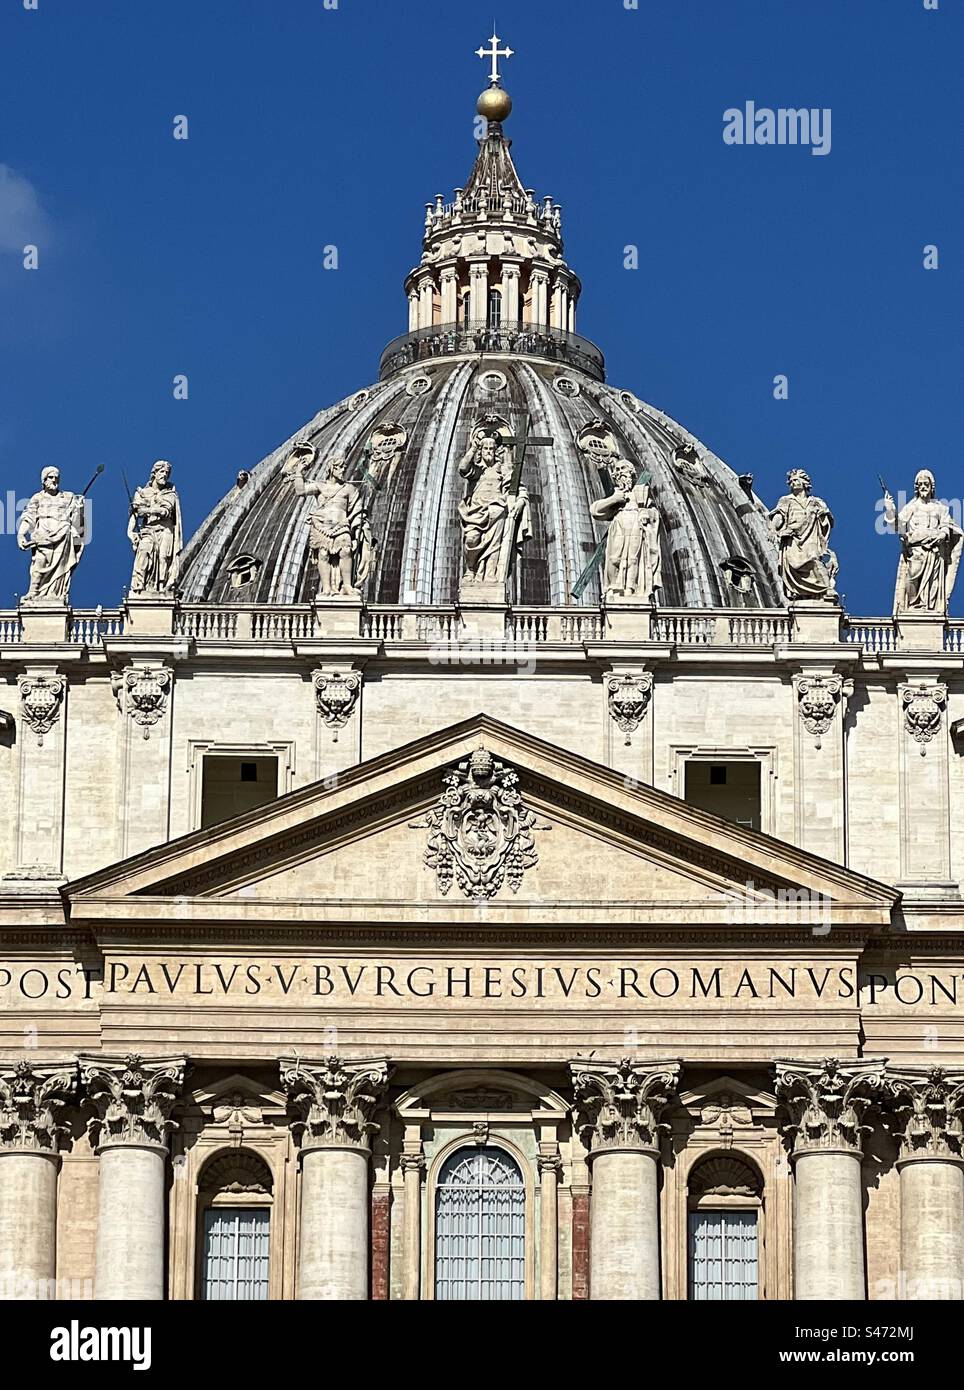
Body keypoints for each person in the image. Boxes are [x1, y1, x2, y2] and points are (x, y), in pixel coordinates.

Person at [883, 469, 962, 614]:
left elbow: (946, 526)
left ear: (932, 487)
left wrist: (942, 535)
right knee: (912, 577)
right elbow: (898, 525)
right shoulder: (911, 507)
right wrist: (890, 510)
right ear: (916, 487)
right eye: (920, 484)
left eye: (926, 484)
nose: (923, 487)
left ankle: (929, 610)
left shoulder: (941, 508)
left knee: (934, 584)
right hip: (917, 550)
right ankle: (913, 607)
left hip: (934, 551)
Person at [17, 467, 86, 601]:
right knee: (39, 562)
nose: (54, 480)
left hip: (63, 532)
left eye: (56, 477)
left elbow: (77, 522)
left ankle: (54, 594)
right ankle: (34, 592)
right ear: (44, 480)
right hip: (42, 533)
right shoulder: (37, 498)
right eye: (51, 477)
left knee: (60, 566)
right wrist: (21, 535)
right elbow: (29, 517)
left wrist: (80, 509)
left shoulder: (68, 497)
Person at [768, 469, 837, 601]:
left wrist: (823, 516)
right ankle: (803, 592)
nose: (792, 483)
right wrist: (773, 529)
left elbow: (827, 520)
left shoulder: (815, 501)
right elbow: (779, 516)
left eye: (796, 480)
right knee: (795, 564)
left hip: (810, 536)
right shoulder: (786, 500)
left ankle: (826, 588)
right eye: (791, 481)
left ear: (804, 483)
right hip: (792, 538)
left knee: (814, 559)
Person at [128, 461, 183, 595]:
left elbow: (165, 511)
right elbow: (134, 516)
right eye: (162, 472)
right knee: (144, 553)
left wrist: (146, 509)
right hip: (148, 531)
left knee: (164, 558)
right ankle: (139, 587)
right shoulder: (142, 493)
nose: (165, 475)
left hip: (166, 530)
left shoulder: (170, 494)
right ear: (154, 473)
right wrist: (130, 533)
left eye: (167, 473)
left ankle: (162, 589)